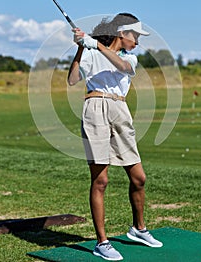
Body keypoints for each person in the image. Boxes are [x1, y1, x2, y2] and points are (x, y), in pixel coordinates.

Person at [68, 13, 163, 261]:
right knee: (101, 181)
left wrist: (94, 43)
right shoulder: (90, 52)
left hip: (120, 111)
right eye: (136, 36)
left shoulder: (130, 57)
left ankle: (139, 228)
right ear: (123, 33)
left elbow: (123, 68)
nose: (138, 42)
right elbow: (72, 79)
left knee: (139, 177)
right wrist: (80, 48)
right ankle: (102, 242)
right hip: (94, 108)